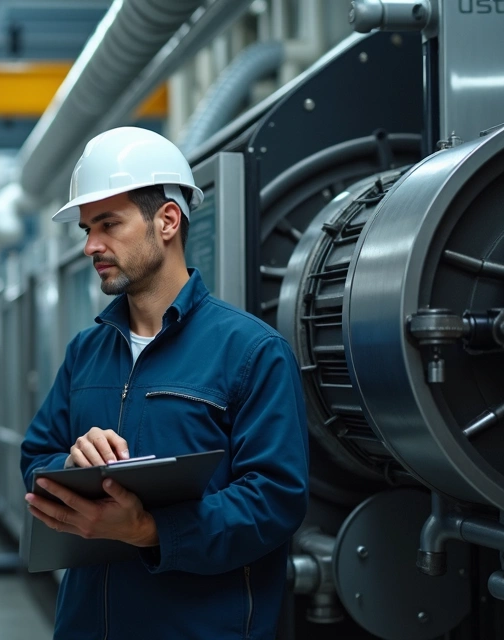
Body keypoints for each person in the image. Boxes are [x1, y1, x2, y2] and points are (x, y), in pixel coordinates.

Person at [20, 126, 309, 639]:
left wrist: (151, 531)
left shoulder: (251, 351)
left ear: (168, 220)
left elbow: (274, 501)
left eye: (108, 224)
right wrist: (69, 465)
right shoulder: (87, 352)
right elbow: (34, 460)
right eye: (87, 229)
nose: (91, 245)